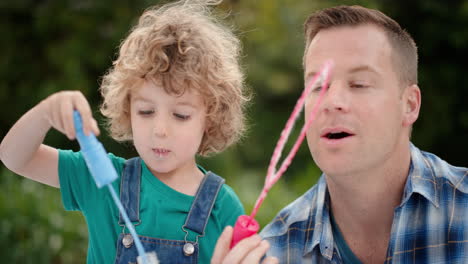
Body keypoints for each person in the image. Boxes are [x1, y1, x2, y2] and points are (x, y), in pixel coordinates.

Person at [211, 5, 468, 264]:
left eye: (359, 84)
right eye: (318, 85)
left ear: (410, 104)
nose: (331, 101)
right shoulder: (276, 252)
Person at [0, 0, 249, 263]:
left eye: (180, 115)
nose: (160, 130)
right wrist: (45, 112)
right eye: (145, 111)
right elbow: (14, 157)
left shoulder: (223, 208)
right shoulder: (103, 179)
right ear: (127, 110)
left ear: (210, 119)